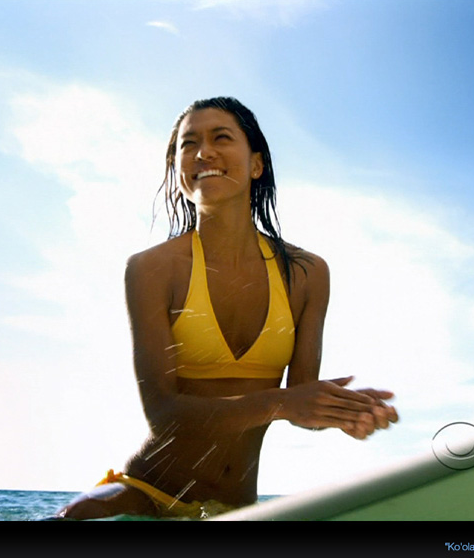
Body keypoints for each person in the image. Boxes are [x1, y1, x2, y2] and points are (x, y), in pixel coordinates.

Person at [55, 97, 398, 520]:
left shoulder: (307, 274)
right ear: (178, 170)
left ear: (256, 164)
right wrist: (284, 403)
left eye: (221, 137)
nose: (204, 152)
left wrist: (337, 410)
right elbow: (165, 416)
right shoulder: (151, 269)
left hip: (234, 511)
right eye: (188, 144)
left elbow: (299, 405)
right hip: (145, 497)